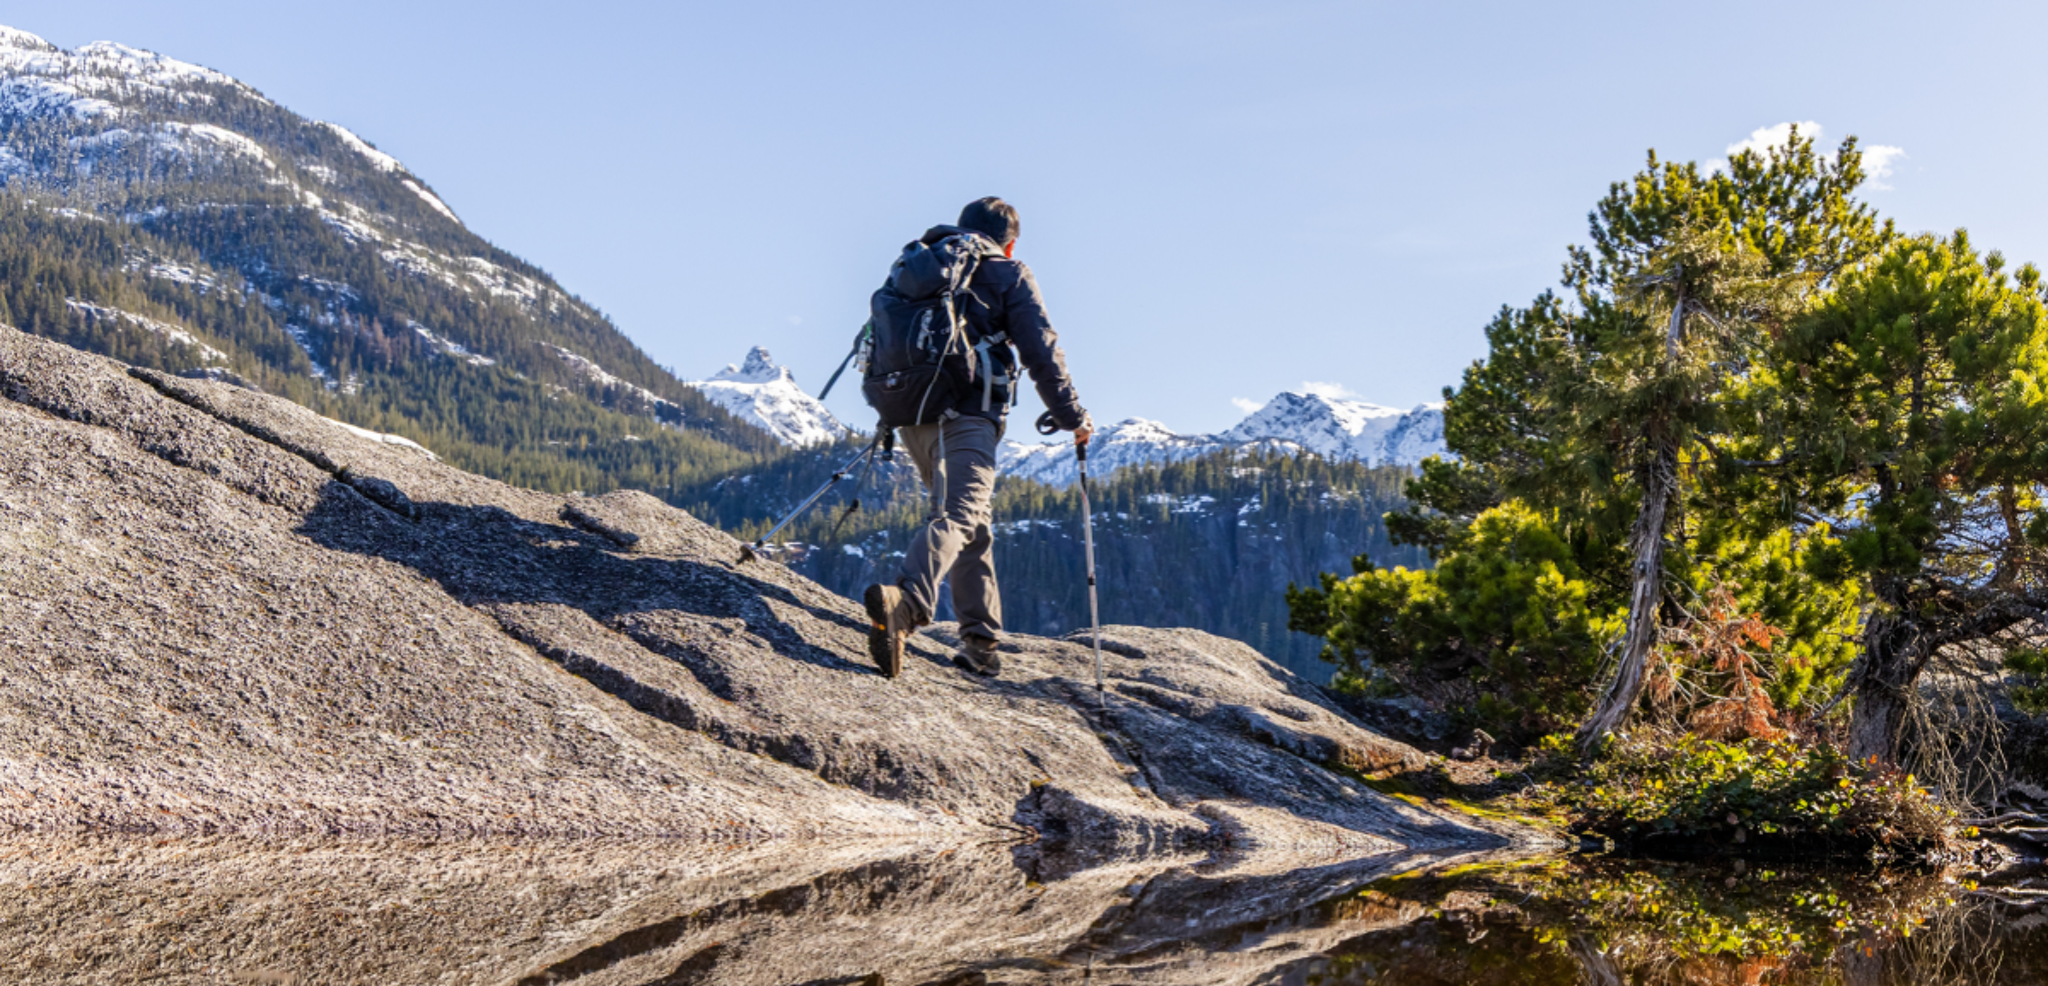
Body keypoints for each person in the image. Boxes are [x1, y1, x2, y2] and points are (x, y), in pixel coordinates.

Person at [864, 197, 1092, 679]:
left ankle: (981, 641)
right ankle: (905, 603)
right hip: (967, 412)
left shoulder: (922, 263)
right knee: (961, 514)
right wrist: (1072, 416)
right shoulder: (1007, 272)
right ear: (1009, 242)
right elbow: (1041, 351)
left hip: (912, 413)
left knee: (973, 522)